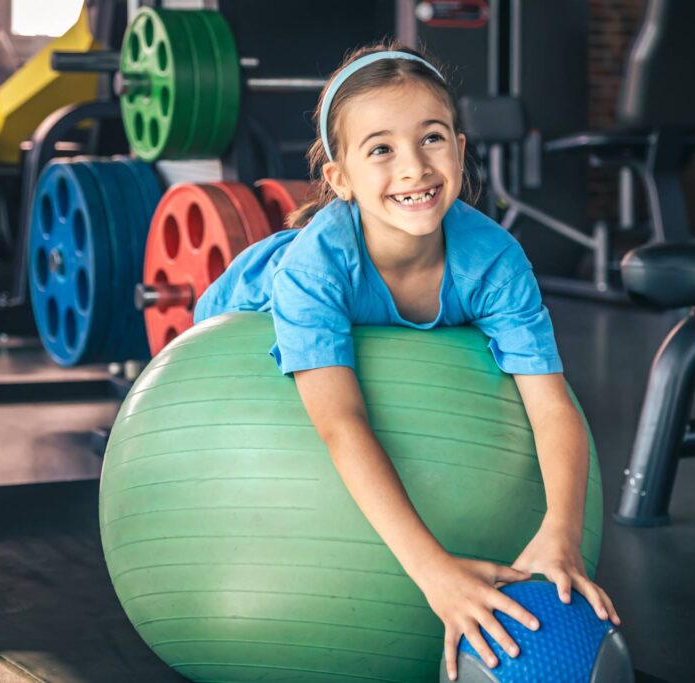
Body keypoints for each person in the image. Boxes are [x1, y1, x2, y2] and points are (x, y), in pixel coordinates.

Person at [193, 40, 619, 680]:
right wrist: (433, 572)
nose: (415, 167)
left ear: (460, 147)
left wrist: (561, 531)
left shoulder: (494, 259)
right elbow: (342, 423)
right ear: (340, 179)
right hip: (250, 299)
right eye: (381, 149)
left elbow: (551, 402)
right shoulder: (314, 268)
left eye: (433, 138)